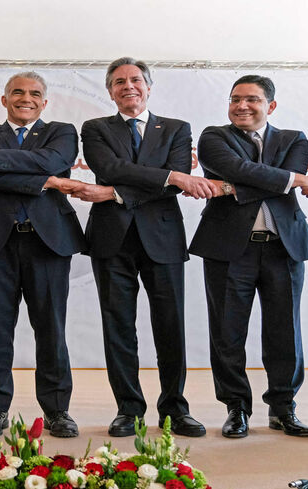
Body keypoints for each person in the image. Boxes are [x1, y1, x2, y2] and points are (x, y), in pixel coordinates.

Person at [72, 57, 218, 438]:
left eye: (136, 80)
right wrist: (169, 175)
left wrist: (117, 194)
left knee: (170, 326)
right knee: (118, 327)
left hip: (164, 239)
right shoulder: (95, 128)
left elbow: (168, 185)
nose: (128, 86)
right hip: (111, 239)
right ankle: (128, 409)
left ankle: (175, 408)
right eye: (119, 82)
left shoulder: (176, 128)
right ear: (110, 91)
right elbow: (110, 169)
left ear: (149, 87)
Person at [191, 75, 308, 439]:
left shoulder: (293, 138)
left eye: (251, 99)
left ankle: (283, 408)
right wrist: (289, 179)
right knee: (227, 332)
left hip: (284, 246)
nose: (241, 106)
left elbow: (250, 180)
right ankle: (236, 408)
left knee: (285, 331)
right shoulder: (213, 137)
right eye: (235, 99)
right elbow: (244, 171)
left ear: (271, 106)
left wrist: (233, 188)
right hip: (229, 247)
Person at [0, 72, 86, 438]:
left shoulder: (62, 131)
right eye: (17, 92)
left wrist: (0, 160)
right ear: (4, 100)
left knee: (51, 329)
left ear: (44, 102)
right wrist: (46, 181)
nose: (25, 98)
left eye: (34, 94)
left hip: (48, 243)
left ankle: (58, 411)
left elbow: (53, 160)